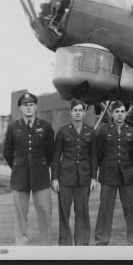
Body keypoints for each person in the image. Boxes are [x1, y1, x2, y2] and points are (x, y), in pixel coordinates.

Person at [3, 92, 55, 245]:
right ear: (20, 107)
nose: (29, 108)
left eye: (31, 104)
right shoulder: (13, 127)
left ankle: (46, 243)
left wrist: (43, 165)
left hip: (41, 175)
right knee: (20, 212)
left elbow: (51, 151)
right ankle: (21, 242)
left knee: (45, 210)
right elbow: (7, 151)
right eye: (25, 105)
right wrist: (17, 166)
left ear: (36, 107)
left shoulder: (45, 126)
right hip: (20, 175)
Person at [51, 99, 98, 245]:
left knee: (82, 212)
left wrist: (94, 178)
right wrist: (55, 178)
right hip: (65, 178)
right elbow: (55, 156)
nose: (78, 113)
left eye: (80, 110)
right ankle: (65, 245)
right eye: (75, 110)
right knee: (64, 213)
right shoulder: (63, 131)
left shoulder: (90, 131)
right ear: (71, 112)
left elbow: (94, 156)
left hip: (83, 178)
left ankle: (82, 244)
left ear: (84, 113)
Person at [94, 101, 133, 246]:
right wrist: (107, 166)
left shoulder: (132, 131)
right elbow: (99, 153)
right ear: (112, 114)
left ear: (126, 113)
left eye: (122, 111)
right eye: (117, 112)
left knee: (130, 208)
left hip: (126, 174)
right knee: (105, 208)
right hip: (108, 174)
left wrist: (126, 166)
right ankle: (102, 239)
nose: (120, 114)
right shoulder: (104, 130)